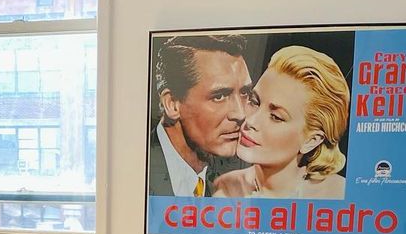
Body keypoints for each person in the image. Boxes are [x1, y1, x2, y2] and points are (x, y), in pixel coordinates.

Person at [213, 45, 350, 199]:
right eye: (254, 101)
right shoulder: (224, 189)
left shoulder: (339, 195)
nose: (250, 121)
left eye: (276, 117)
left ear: (311, 140)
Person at [148, 34, 253, 197]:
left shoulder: (242, 172)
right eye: (219, 96)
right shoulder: (135, 169)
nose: (241, 114)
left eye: (245, 93)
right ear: (172, 104)